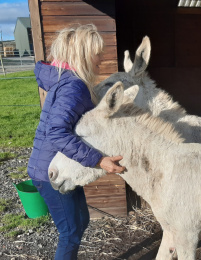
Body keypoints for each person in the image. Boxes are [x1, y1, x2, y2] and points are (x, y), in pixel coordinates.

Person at [27, 24, 126, 260]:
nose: (101, 59)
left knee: (81, 221)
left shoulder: (70, 82)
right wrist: (99, 160)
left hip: (61, 163)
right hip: (50, 170)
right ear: (83, 54)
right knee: (70, 233)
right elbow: (57, 133)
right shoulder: (73, 86)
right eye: (97, 53)